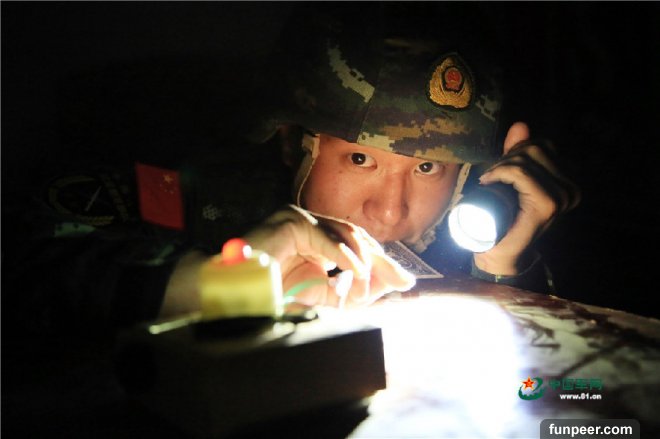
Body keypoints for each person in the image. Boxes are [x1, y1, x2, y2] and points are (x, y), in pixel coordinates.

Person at [3, 4, 578, 341]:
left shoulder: (467, 234)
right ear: (294, 144)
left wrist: (506, 271)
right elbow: (25, 268)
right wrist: (224, 285)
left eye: (427, 167)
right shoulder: (186, 191)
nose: (390, 212)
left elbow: (544, 387)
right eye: (359, 159)